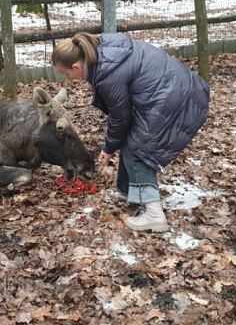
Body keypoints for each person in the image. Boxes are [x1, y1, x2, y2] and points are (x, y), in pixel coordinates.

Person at [52, 32, 210, 232]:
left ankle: (154, 214)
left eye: (67, 75)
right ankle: (127, 191)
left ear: (76, 66)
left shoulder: (107, 74)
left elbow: (120, 118)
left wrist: (109, 148)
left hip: (175, 97)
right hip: (177, 88)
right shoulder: (104, 50)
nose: (70, 79)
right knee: (132, 139)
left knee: (139, 148)